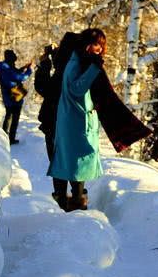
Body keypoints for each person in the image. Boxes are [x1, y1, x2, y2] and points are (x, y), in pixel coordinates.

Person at [47, 28, 151, 211]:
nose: (100, 48)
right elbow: (77, 89)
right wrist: (94, 68)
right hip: (75, 122)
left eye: (102, 45)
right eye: (96, 44)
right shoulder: (76, 62)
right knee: (76, 162)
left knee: (76, 162)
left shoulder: (84, 61)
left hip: (80, 120)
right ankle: (73, 205)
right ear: (86, 44)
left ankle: (73, 202)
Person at [36, 35, 77, 209]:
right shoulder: (80, 64)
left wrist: (44, 63)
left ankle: (63, 201)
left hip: (55, 121)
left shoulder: (64, 70)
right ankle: (77, 198)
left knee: (58, 160)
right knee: (74, 160)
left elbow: (44, 87)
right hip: (75, 122)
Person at [0, 49, 32, 144]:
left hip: (8, 96)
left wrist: (23, 68)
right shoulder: (7, 69)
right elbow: (20, 77)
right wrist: (29, 70)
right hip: (13, 96)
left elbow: (15, 74)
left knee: (9, 116)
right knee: (13, 118)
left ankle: (4, 137)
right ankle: (10, 139)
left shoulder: (4, 68)